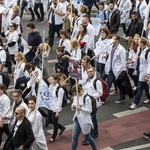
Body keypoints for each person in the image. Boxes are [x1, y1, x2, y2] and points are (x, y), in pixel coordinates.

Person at [71, 84, 97, 150]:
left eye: (76, 94)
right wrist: (73, 106)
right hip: (77, 118)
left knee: (87, 136)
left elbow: (89, 110)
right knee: (74, 137)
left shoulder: (86, 98)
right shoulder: (75, 96)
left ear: (79, 91)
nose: (75, 95)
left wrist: (81, 108)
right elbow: (73, 104)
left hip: (85, 120)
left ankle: (94, 148)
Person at [130, 37, 150, 109]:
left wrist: (147, 74)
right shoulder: (141, 50)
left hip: (144, 72)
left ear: (142, 43)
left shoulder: (148, 52)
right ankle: (149, 98)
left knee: (139, 87)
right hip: (140, 70)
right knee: (145, 86)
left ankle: (135, 103)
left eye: (139, 41)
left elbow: (149, 64)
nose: (137, 42)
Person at [106, 35, 126, 103]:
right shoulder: (111, 47)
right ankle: (104, 97)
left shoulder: (121, 49)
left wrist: (123, 71)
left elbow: (123, 61)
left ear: (117, 40)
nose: (111, 41)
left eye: (113, 39)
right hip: (112, 68)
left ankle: (122, 97)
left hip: (118, 69)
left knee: (120, 84)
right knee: (108, 82)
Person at [84, 66, 102, 141]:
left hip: (95, 103)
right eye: (88, 72)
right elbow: (86, 90)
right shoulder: (87, 80)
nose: (90, 73)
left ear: (94, 72)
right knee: (91, 118)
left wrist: (90, 97)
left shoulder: (97, 81)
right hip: (88, 103)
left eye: (91, 71)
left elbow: (100, 93)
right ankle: (93, 132)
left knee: (92, 118)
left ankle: (94, 133)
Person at [47, 73, 66, 143]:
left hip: (56, 107)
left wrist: (58, 111)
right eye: (50, 79)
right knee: (49, 120)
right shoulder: (50, 86)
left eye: (52, 79)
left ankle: (53, 137)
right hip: (50, 106)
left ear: (56, 80)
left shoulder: (59, 89)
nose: (50, 80)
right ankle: (61, 127)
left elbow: (60, 101)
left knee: (55, 122)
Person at [0, 84, 11, 148]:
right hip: (1, 119)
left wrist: (2, 121)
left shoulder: (5, 99)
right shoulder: (1, 96)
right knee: (8, 133)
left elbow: (7, 111)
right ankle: (14, 139)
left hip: (3, 121)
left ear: (2, 90)